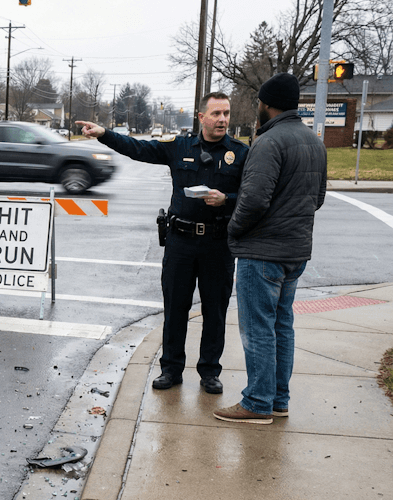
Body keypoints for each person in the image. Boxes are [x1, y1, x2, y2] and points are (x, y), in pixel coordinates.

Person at [77, 92, 248, 395]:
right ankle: (171, 369)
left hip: (217, 244)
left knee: (215, 311)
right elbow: (138, 148)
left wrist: (226, 200)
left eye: (226, 113)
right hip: (180, 242)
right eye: (216, 113)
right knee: (175, 308)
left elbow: (250, 196)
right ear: (201, 117)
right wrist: (104, 134)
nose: (222, 119)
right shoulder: (179, 147)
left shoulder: (240, 153)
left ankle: (210, 372)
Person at [213, 73, 326, 424]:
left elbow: (254, 201)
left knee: (258, 328)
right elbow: (317, 198)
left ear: (266, 104)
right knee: (282, 326)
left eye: (260, 102)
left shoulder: (269, 142)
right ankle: (278, 399)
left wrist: (234, 230)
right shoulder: (314, 142)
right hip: (295, 253)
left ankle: (257, 403)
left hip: (262, 253)